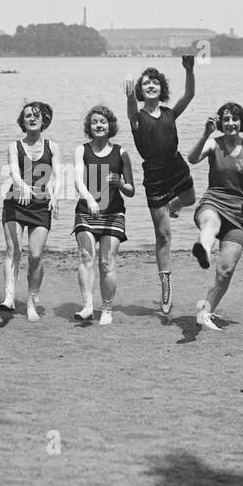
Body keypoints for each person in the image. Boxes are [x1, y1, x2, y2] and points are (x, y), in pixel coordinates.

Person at [186, 103, 243, 330]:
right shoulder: (214, 143)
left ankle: (206, 312)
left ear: (241, 122)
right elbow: (192, 159)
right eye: (226, 119)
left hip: (238, 212)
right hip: (213, 201)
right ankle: (204, 248)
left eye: (234, 119)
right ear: (220, 123)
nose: (230, 123)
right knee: (210, 224)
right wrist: (206, 133)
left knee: (225, 271)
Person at [125, 58, 196, 316]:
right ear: (141, 90)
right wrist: (130, 94)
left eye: (155, 82)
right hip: (154, 175)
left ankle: (174, 205)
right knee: (164, 235)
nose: (151, 85)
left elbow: (189, 94)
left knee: (190, 198)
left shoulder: (169, 113)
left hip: (176, 165)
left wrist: (189, 70)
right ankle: (165, 283)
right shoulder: (137, 118)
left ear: (161, 87)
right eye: (146, 83)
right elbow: (131, 110)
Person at [72, 105, 136, 324]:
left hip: (113, 214)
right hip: (86, 212)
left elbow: (131, 190)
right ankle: (88, 305)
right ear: (89, 127)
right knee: (86, 256)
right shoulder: (82, 150)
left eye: (103, 122)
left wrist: (120, 183)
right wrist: (89, 198)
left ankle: (107, 309)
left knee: (106, 263)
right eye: (94, 122)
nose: (99, 125)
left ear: (110, 126)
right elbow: (78, 180)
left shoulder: (122, 153)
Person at [1, 100, 61, 321]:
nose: (32, 118)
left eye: (37, 115)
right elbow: (15, 172)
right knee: (13, 249)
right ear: (22, 121)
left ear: (44, 120)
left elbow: (55, 176)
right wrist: (23, 185)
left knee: (35, 255)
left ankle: (31, 299)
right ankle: (9, 296)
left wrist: (54, 196)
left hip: (41, 205)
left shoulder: (52, 147)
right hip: (15, 201)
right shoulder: (14, 145)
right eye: (28, 115)